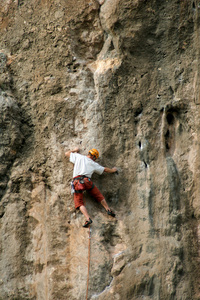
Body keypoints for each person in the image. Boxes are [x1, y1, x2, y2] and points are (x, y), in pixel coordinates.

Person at [65, 147, 118, 228]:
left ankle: (88, 218)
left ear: (89, 153)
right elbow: (105, 170)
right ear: (94, 157)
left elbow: (67, 153)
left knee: (79, 202)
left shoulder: (78, 156)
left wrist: (75, 150)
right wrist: (113, 170)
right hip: (87, 181)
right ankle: (108, 209)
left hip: (77, 182)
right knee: (99, 195)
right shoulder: (93, 163)